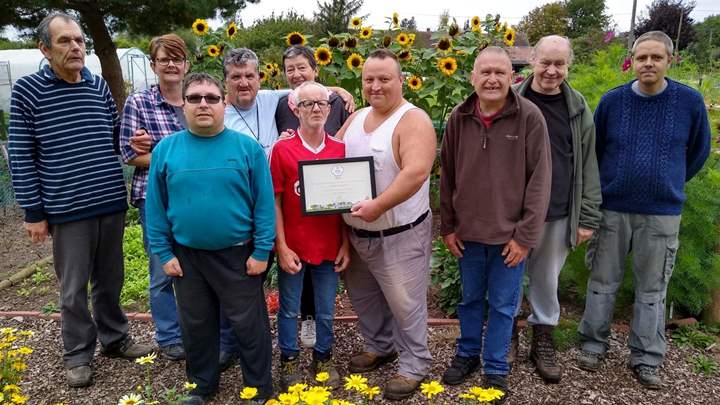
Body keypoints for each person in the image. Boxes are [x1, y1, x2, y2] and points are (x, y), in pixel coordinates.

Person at [7, 12, 152, 388]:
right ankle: (77, 353)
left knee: (111, 279)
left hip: (108, 199)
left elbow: (114, 133)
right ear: (45, 49)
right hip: (67, 207)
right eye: (64, 41)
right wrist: (33, 211)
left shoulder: (97, 85)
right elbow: (21, 155)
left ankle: (115, 339)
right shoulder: (28, 92)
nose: (75, 47)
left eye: (79, 41)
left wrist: (133, 141)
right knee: (72, 288)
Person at [577, 30, 711, 390]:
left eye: (656, 57)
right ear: (632, 61)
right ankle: (592, 343)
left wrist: (668, 181)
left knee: (653, 289)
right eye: (641, 57)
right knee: (602, 282)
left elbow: (698, 152)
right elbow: (597, 151)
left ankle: (647, 356)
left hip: (662, 212)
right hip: (613, 209)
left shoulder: (690, 102)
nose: (648, 63)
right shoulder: (612, 102)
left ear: (670, 60)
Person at [146, 72, 275, 404]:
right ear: (184, 105)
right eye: (194, 98)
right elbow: (156, 207)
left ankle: (259, 387)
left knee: (250, 326)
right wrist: (163, 252)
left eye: (211, 97)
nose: (203, 104)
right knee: (196, 326)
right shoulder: (165, 150)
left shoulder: (247, 149)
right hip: (187, 257)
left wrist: (262, 250)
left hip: (238, 255)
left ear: (224, 103)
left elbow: (264, 203)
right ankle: (202, 386)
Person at [439, 46, 551, 400]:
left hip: (509, 238)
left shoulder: (529, 117)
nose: (491, 79)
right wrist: (448, 226)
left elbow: (540, 180)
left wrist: (525, 236)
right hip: (468, 234)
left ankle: (496, 367)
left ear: (512, 77)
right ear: (472, 77)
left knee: (504, 305)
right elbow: (448, 176)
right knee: (471, 300)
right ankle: (468, 353)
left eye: (499, 73)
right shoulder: (460, 117)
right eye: (484, 72)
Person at [335, 49, 436, 401]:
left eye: (384, 79)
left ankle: (414, 364)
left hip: (399, 234)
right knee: (365, 299)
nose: (375, 86)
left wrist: (378, 205)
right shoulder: (358, 116)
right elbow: (331, 155)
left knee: (406, 305)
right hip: (357, 232)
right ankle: (380, 347)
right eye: (369, 80)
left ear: (400, 80)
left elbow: (416, 172)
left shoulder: (413, 120)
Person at [511, 35, 602, 383]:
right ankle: (508, 333)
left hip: (559, 209)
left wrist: (588, 216)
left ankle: (543, 337)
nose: (551, 71)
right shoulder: (511, 99)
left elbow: (590, 165)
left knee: (547, 280)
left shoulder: (577, 108)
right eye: (545, 62)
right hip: (512, 212)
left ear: (568, 65)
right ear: (532, 61)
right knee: (508, 277)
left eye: (559, 64)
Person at [270, 81, 350, 390]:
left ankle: (323, 355)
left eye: (321, 103)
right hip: (295, 246)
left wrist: (346, 244)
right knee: (290, 308)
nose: (315, 109)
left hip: (329, 246)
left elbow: (346, 204)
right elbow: (275, 200)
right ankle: (289, 359)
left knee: (326, 309)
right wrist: (282, 245)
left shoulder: (340, 150)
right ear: (295, 109)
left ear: (330, 109)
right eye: (308, 104)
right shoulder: (282, 150)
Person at [119, 34, 189, 362]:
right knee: (162, 269)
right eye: (164, 59)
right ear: (154, 65)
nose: (171, 64)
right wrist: (179, 161)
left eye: (177, 58)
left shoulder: (198, 100)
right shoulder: (139, 103)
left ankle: (197, 329)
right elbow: (129, 155)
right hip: (155, 198)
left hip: (196, 199)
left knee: (196, 266)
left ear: (186, 64)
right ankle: (170, 336)